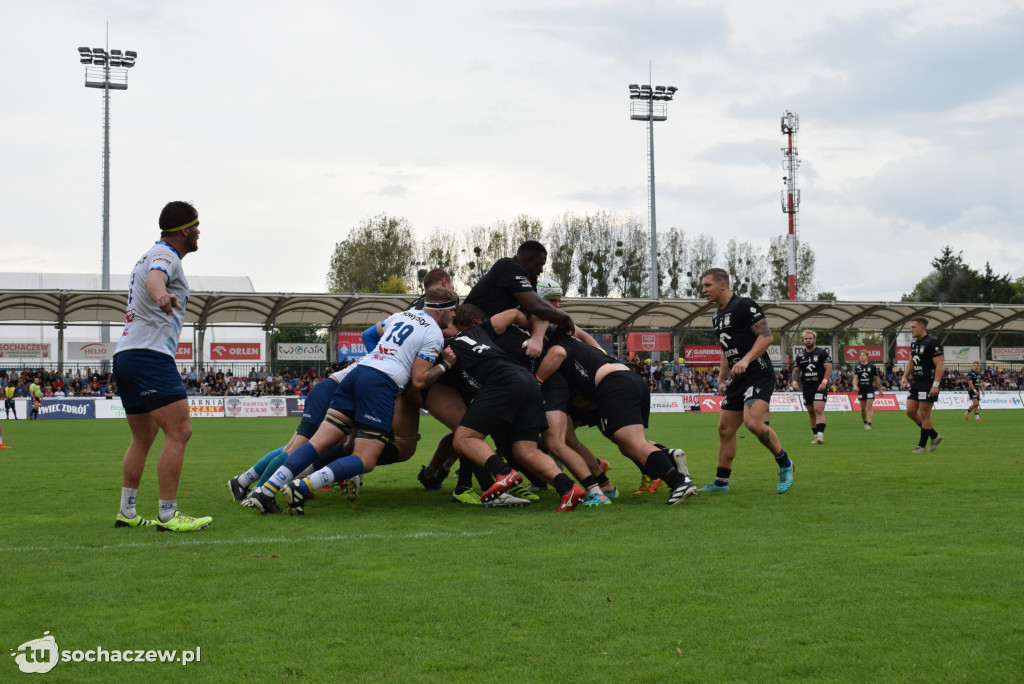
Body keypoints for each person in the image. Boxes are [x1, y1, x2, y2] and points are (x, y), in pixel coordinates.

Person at [247, 286, 458, 515]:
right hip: (379, 384)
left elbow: (370, 334)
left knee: (318, 443)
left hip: (357, 373)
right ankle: (302, 486)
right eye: (453, 310)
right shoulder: (435, 334)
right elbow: (418, 380)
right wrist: (446, 364)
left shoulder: (402, 315)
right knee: (365, 459)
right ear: (441, 310)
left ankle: (266, 491)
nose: (455, 315)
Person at [111, 200, 212, 532]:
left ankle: (127, 511)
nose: (199, 232)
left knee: (144, 436)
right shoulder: (165, 255)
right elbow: (156, 278)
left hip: (126, 354)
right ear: (185, 230)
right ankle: (168, 515)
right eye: (196, 226)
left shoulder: (151, 254)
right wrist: (160, 295)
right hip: (149, 356)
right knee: (180, 430)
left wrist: (158, 294)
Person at [698, 268, 794, 494]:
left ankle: (785, 463)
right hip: (738, 379)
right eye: (702, 286)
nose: (703, 290)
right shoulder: (717, 316)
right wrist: (722, 378)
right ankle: (721, 482)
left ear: (723, 285)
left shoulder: (744, 305)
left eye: (707, 285)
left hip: (759, 373)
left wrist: (747, 359)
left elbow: (766, 336)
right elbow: (726, 349)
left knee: (752, 422)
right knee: (725, 430)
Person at [900, 316, 944, 453]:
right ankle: (935, 435)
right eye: (910, 327)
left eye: (913, 327)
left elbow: (939, 364)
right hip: (917, 381)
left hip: (928, 381)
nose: (910, 330)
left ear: (922, 328)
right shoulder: (914, 343)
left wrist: (935, 384)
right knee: (910, 411)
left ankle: (922, 446)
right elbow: (911, 362)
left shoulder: (932, 342)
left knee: (925, 413)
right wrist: (904, 376)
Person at [790, 331, 832, 444]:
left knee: (818, 409)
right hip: (807, 387)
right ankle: (815, 436)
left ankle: (820, 436)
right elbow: (796, 370)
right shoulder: (800, 355)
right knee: (811, 412)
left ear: (814, 340)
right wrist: (794, 381)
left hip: (819, 386)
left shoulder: (822, 352)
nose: (808, 340)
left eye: (810, 338)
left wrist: (824, 382)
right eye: (806, 339)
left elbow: (828, 368)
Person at [851, 350, 882, 429]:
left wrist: (880, 389)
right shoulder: (858, 367)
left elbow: (877, 378)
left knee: (869, 406)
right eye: (860, 355)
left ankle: (869, 423)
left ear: (867, 356)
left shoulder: (872, 366)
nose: (861, 357)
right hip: (861, 389)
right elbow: (855, 378)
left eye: (863, 355)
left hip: (870, 388)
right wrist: (855, 385)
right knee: (862, 408)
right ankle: (865, 421)